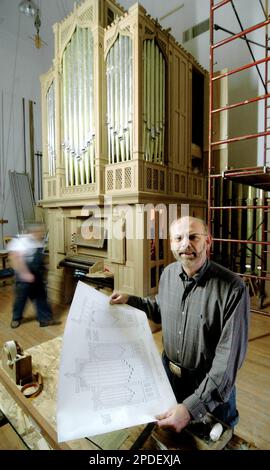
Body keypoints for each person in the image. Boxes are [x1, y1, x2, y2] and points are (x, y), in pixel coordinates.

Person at [110, 216, 250, 433]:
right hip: (169, 379)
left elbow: (227, 364)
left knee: (214, 443)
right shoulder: (168, 274)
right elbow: (160, 310)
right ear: (172, 244)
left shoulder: (233, 289)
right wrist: (131, 299)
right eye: (179, 238)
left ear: (208, 241)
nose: (186, 244)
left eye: (193, 237)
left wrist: (191, 408)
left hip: (208, 389)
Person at [8, 223, 60, 328]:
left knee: (41, 296)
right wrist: (25, 274)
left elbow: (40, 260)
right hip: (23, 274)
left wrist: (46, 269)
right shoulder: (20, 241)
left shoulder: (38, 242)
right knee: (21, 298)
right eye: (40, 232)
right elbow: (15, 259)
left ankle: (44, 319)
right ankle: (16, 318)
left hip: (36, 274)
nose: (42, 234)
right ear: (33, 232)